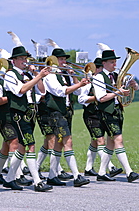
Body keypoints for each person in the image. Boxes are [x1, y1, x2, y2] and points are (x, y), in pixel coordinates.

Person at [3, 46, 52, 192]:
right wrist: (38, 77)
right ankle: (37, 181)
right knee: (30, 145)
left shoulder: (28, 74)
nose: (25, 61)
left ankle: (10, 178)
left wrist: (37, 74)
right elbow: (21, 90)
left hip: (30, 112)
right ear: (14, 60)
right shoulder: (10, 75)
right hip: (18, 113)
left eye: (26, 58)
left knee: (23, 147)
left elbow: (42, 91)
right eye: (22, 59)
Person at [43, 48, 90, 187]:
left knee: (59, 143)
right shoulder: (50, 75)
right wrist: (78, 84)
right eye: (62, 59)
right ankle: (77, 176)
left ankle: (52, 175)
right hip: (55, 112)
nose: (65, 62)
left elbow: (80, 91)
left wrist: (75, 77)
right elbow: (60, 91)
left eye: (65, 59)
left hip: (67, 111)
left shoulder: (65, 75)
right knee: (67, 142)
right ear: (55, 61)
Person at [92, 50, 139, 182]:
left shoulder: (118, 75)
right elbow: (101, 98)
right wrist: (117, 93)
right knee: (118, 140)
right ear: (104, 63)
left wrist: (133, 84)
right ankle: (129, 172)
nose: (115, 64)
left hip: (118, 111)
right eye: (112, 62)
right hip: (106, 112)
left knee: (111, 143)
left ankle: (101, 172)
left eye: (115, 62)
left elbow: (135, 89)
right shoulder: (99, 77)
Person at [78, 57, 123, 178]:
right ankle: (110, 167)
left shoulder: (105, 80)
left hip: (101, 114)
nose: (100, 70)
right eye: (98, 68)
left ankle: (88, 168)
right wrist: (97, 97)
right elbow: (81, 99)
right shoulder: (89, 83)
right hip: (91, 114)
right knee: (100, 140)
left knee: (95, 142)